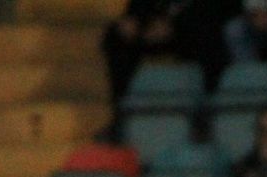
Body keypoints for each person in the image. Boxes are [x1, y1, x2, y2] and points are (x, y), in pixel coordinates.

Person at [98, 0, 235, 103]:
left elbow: (222, 10)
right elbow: (138, 9)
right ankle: (122, 105)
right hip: (160, 29)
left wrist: (175, 24)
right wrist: (137, 20)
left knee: (208, 40)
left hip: (199, 30)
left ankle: (205, 110)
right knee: (115, 36)